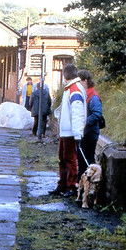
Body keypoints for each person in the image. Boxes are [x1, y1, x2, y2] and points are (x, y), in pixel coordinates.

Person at [49, 63, 86, 197]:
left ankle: (71, 186)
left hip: (70, 131)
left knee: (69, 160)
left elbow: (77, 113)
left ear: (65, 75)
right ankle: (63, 184)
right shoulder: (71, 89)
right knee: (63, 159)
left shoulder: (74, 89)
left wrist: (77, 133)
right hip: (66, 131)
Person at [78, 69, 103, 180]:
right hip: (86, 131)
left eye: (80, 81)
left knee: (88, 159)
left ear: (86, 80)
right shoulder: (85, 94)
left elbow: (97, 114)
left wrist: (84, 122)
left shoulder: (93, 96)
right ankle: (81, 183)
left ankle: (91, 182)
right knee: (81, 159)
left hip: (90, 132)